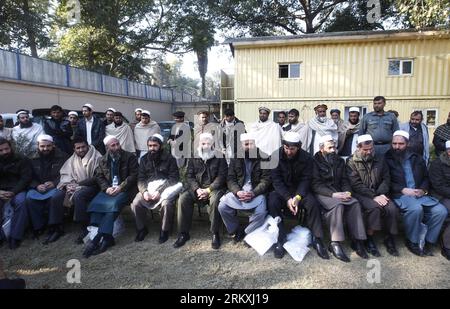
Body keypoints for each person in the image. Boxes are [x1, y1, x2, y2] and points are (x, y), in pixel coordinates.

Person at [385, 130, 447, 256]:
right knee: (416, 209)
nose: (397, 147)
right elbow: (386, 181)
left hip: (419, 194)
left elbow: (425, 176)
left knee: (441, 211)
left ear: (407, 144)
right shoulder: (387, 158)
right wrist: (402, 189)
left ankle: (428, 241)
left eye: (400, 144)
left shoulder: (416, 157)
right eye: (394, 143)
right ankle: (412, 240)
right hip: (399, 194)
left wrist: (423, 190)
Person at [267, 132, 328, 259]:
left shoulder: (307, 158)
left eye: (292, 149)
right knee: (272, 201)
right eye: (286, 148)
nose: (289, 152)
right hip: (282, 191)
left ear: (299, 147)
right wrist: (288, 198)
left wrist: (298, 197)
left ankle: (317, 239)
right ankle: (280, 237)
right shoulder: (275, 156)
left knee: (313, 204)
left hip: (300, 191)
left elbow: (306, 179)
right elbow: (276, 180)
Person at [312, 135, 368, 262]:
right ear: (322, 149)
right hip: (323, 193)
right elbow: (315, 185)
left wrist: (347, 191)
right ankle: (335, 243)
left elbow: (344, 180)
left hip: (338, 192)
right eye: (330, 148)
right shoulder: (314, 161)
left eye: (334, 147)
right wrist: (333, 195)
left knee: (354, 203)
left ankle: (357, 240)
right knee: (338, 205)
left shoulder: (339, 161)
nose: (333, 150)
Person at [82, 136, 138, 258]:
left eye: (117, 144)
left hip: (125, 190)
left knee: (112, 207)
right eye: (113, 145)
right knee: (96, 205)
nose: (117, 147)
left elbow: (133, 175)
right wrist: (106, 188)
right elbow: (99, 176)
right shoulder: (102, 160)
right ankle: (107, 238)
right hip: (108, 190)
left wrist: (120, 188)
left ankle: (96, 239)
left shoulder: (130, 157)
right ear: (107, 147)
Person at [346, 135, 400, 257]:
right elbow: (355, 184)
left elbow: (387, 178)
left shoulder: (380, 158)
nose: (369, 152)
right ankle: (369, 238)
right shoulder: (351, 161)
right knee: (374, 208)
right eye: (365, 149)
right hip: (361, 194)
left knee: (392, 208)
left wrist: (380, 193)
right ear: (358, 148)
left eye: (371, 148)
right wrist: (374, 196)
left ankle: (389, 238)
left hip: (379, 192)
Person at [176, 133, 227, 249]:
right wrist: (197, 189)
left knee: (215, 200)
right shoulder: (194, 157)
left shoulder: (220, 157)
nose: (206, 146)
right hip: (197, 189)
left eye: (208, 144)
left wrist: (208, 190)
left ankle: (215, 233)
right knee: (183, 199)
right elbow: (189, 176)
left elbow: (222, 177)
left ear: (213, 145)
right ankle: (183, 233)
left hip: (213, 189)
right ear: (199, 144)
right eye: (203, 143)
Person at [218, 133, 270, 246]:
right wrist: (237, 191)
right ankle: (235, 230)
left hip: (256, 192)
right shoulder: (236, 157)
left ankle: (247, 232)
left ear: (255, 144)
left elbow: (266, 180)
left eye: (252, 144)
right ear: (242, 145)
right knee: (222, 206)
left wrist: (253, 193)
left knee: (261, 212)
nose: (249, 147)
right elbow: (230, 178)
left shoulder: (265, 157)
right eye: (246, 144)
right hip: (239, 192)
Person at [131, 134, 179, 244]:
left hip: (166, 188)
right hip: (148, 189)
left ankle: (164, 230)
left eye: (155, 146)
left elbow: (174, 178)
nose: (152, 148)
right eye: (150, 146)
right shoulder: (143, 159)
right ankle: (142, 229)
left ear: (160, 146)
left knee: (166, 204)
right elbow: (141, 179)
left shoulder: (169, 159)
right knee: (136, 203)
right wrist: (144, 192)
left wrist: (160, 191)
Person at [57, 136, 102, 244]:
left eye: (83, 147)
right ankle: (58, 226)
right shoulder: (72, 159)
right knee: (60, 194)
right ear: (74, 149)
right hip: (77, 186)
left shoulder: (97, 156)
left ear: (88, 146)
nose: (81, 150)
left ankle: (84, 228)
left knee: (78, 196)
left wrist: (78, 185)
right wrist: (69, 185)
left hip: (94, 186)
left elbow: (97, 177)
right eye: (78, 148)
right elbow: (66, 174)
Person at [26, 135, 68, 245]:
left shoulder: (63, 156)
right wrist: (36, 185)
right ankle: (39, 227)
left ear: (53, 145)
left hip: (57, 186)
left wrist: (54, 183)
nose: (45, 149)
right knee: (29, 198)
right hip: (39, 187)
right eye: (42, 146)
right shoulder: (31, 158)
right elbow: (28, 176)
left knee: (55, 197)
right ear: (38, 146)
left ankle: (55, 226)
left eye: (48, 146)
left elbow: (67, 173)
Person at [0, 138, 32, 250]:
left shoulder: (21, 159)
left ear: (11, 147)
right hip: (1, 191)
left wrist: (13, 192)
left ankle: (15, 236)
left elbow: (25, 178)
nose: (4, 152)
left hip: (18, 190)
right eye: (1, 150)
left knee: (21, 202)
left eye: (6, 149)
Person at [429, 140, 450, 260]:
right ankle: (446, 245)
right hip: (439, 195)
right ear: (447, 151)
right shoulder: (437, 163)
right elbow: (438, 186)